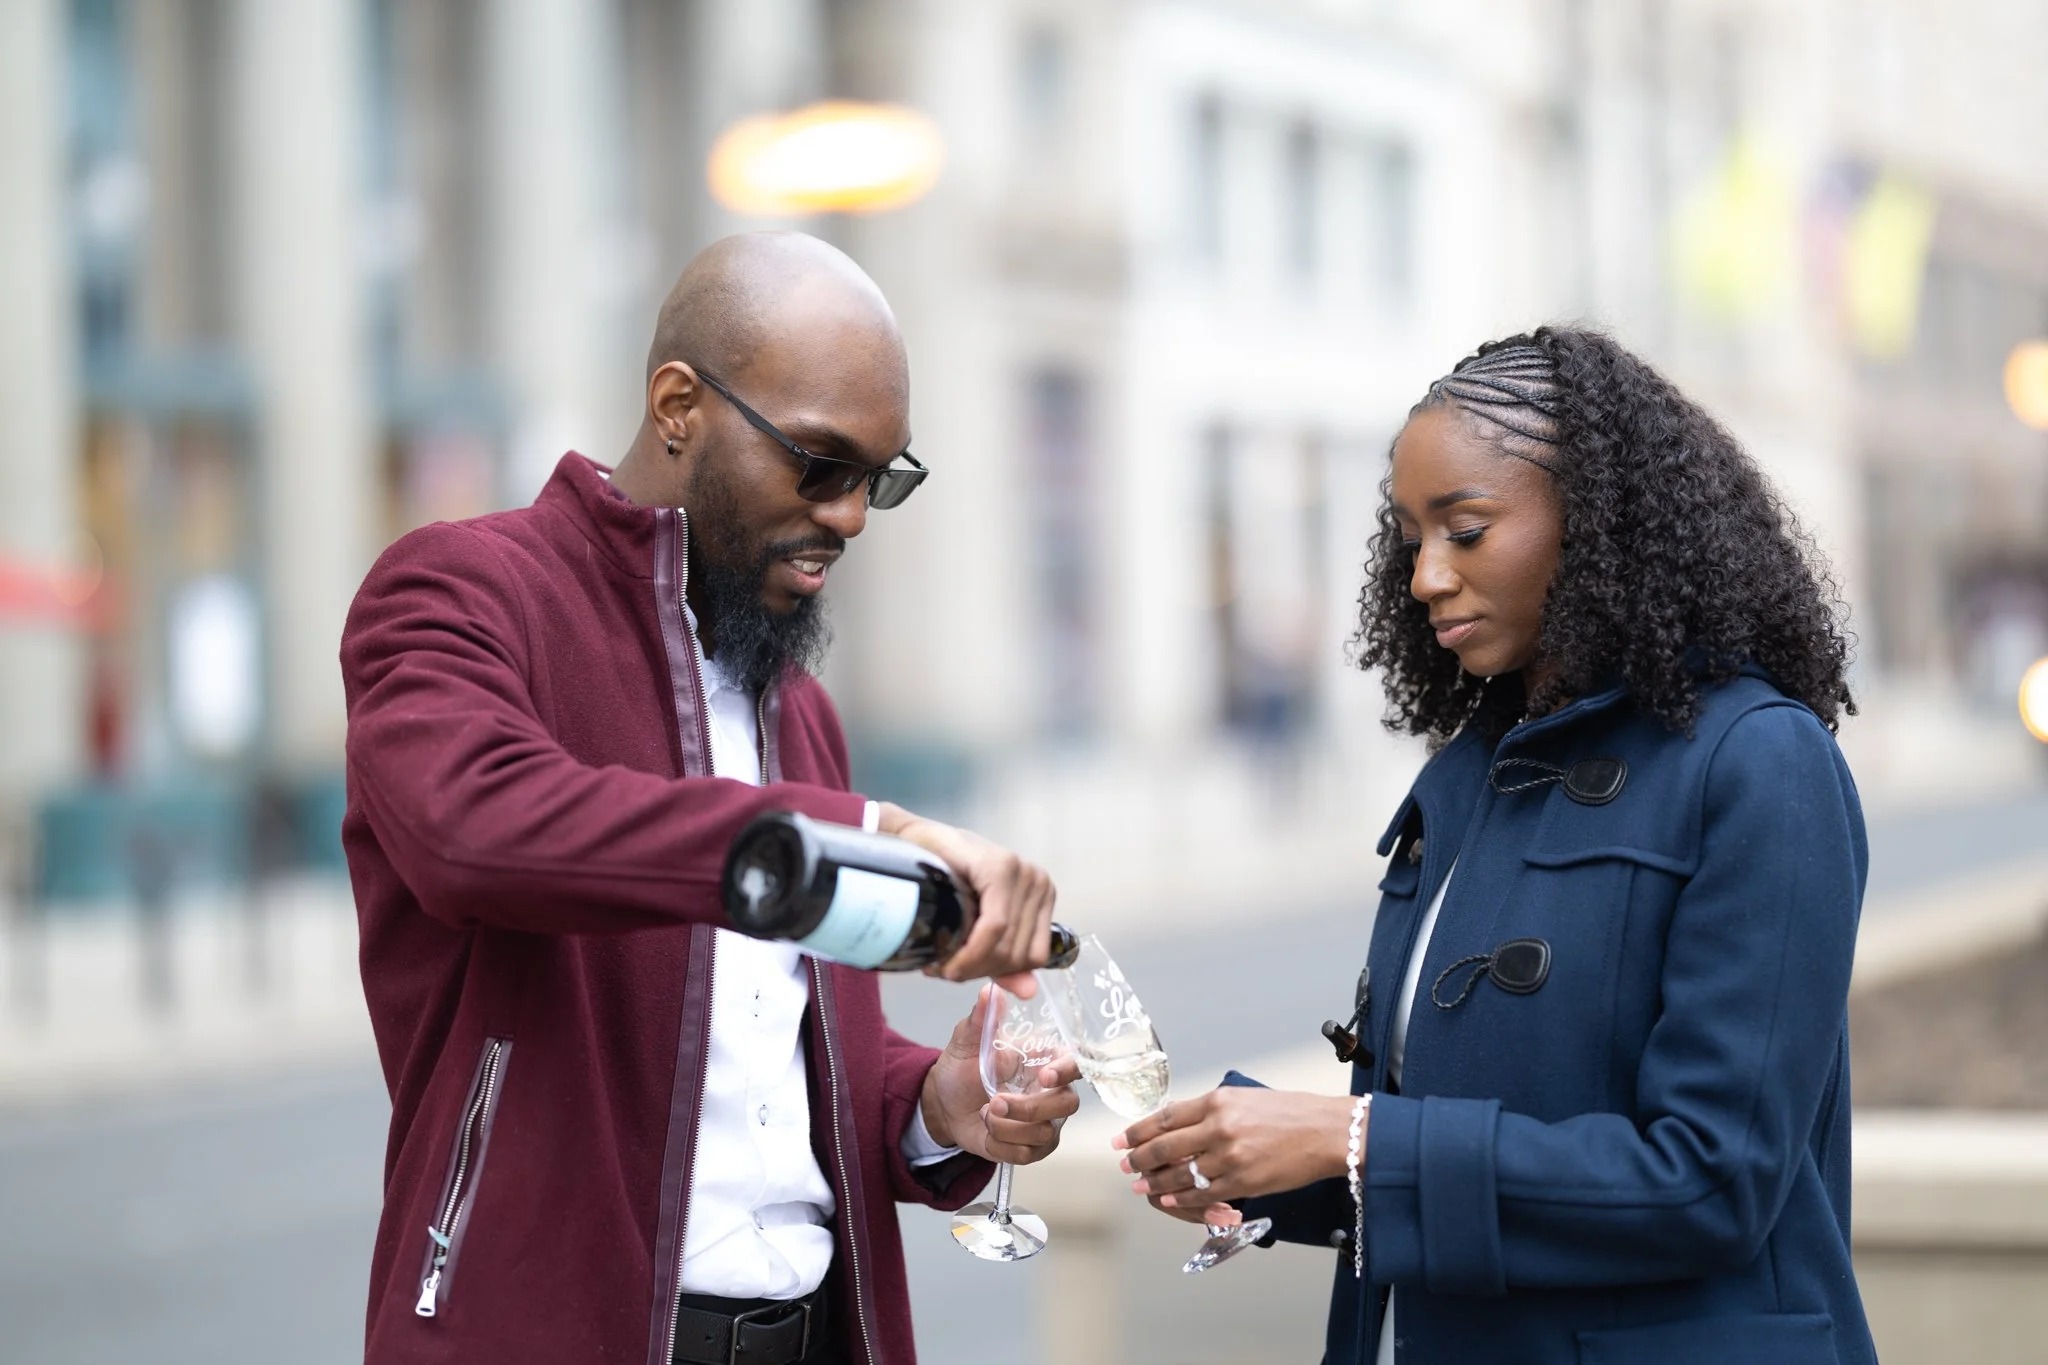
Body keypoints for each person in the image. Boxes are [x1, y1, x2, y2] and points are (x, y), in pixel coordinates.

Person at [341, 231, 1078, 1365]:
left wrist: (938, 1107)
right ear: (678, 406)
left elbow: (782, 1060)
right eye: (820, 465)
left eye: (879, 480)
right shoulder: (463, 591)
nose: (851, 517)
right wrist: (858, 835)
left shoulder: (796, 705)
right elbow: (472, 828)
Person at [1113, 328, 1876, 1364]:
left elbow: (1711, 1181)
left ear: (1598, 524)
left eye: (1465, 531)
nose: (1425, 576)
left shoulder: (1759, 761)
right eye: (1410, 539)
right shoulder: (1474, 773)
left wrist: (1350, 1140)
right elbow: (1482, 1138)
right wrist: (1265, 1161)